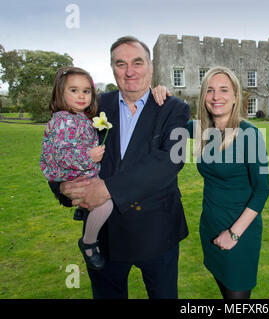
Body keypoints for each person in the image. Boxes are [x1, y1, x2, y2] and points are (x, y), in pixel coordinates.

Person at [48, 36, 190, 299]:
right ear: (112, 68)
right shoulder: (94, 105)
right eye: (120, 64)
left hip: (157, 231)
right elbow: (61, 144)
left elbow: (173, 159)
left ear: (151, 66)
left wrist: (108, 188)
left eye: (137, 63)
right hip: (105, 236)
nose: (130, 71)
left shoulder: (175, 108)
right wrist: (61, 187)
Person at [153, 66, 269, 299]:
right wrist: (160, 93)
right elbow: (169, 121)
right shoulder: (201, 130)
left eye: (224, 90)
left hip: (239, 233)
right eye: (210, 90)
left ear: (236, 96)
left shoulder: (249, 134)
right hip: (210, 227)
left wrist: (234, 234)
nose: (216, 97)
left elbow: (262, 190)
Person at [41, 66, 113, 271]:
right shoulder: (64, 120)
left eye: (86, 91)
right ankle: (89, 243)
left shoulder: (81, 118)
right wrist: (88, 156)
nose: (81, 96)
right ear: (60, 93)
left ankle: (83, 211)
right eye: (74, 90)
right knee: (106, 204)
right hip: (71, 173)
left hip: (81, 171)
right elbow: (62, 156)